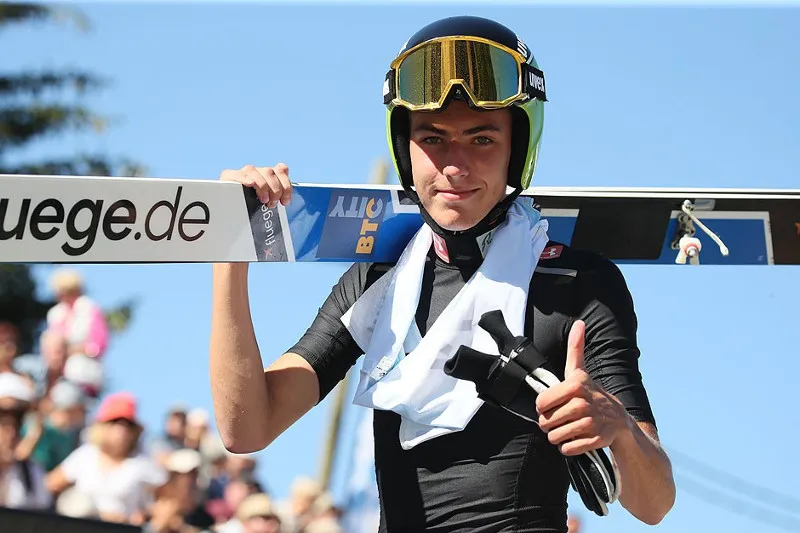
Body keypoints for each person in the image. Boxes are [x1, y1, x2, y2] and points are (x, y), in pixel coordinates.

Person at [209, 15, 676, 533]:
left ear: (517, 150)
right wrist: (230, 248)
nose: (455, 166)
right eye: (433, 138)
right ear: (404, 149)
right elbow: (247, 428)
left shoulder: (578, 283)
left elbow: (654, 502)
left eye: (482, 139)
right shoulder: (378, 281)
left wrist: (619, 427)